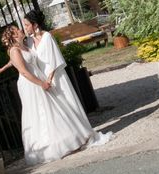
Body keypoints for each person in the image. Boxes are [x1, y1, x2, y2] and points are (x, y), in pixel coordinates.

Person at [1, 25, 105, 165]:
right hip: (30, 83)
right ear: (13, 36)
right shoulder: (14, 50)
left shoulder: (24, 45)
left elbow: (14, 61)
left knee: (53, 107)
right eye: (17, 30)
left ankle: (67, 138)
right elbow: (24, 71)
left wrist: (3, 67)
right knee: (40, 111)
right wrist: (41, 83)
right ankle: (50, 146)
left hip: (38, 77)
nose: (21, 30)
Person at [22, 9, 111, 148]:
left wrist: (50, 79)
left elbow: (54, 59)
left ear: (35, 24)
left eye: (27, 25)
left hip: (55, 76)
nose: (25, 28)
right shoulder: (28, 41)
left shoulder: (47, 37)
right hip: (43, 78)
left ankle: (84, 135)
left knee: (68, 103)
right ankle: (70, 139)